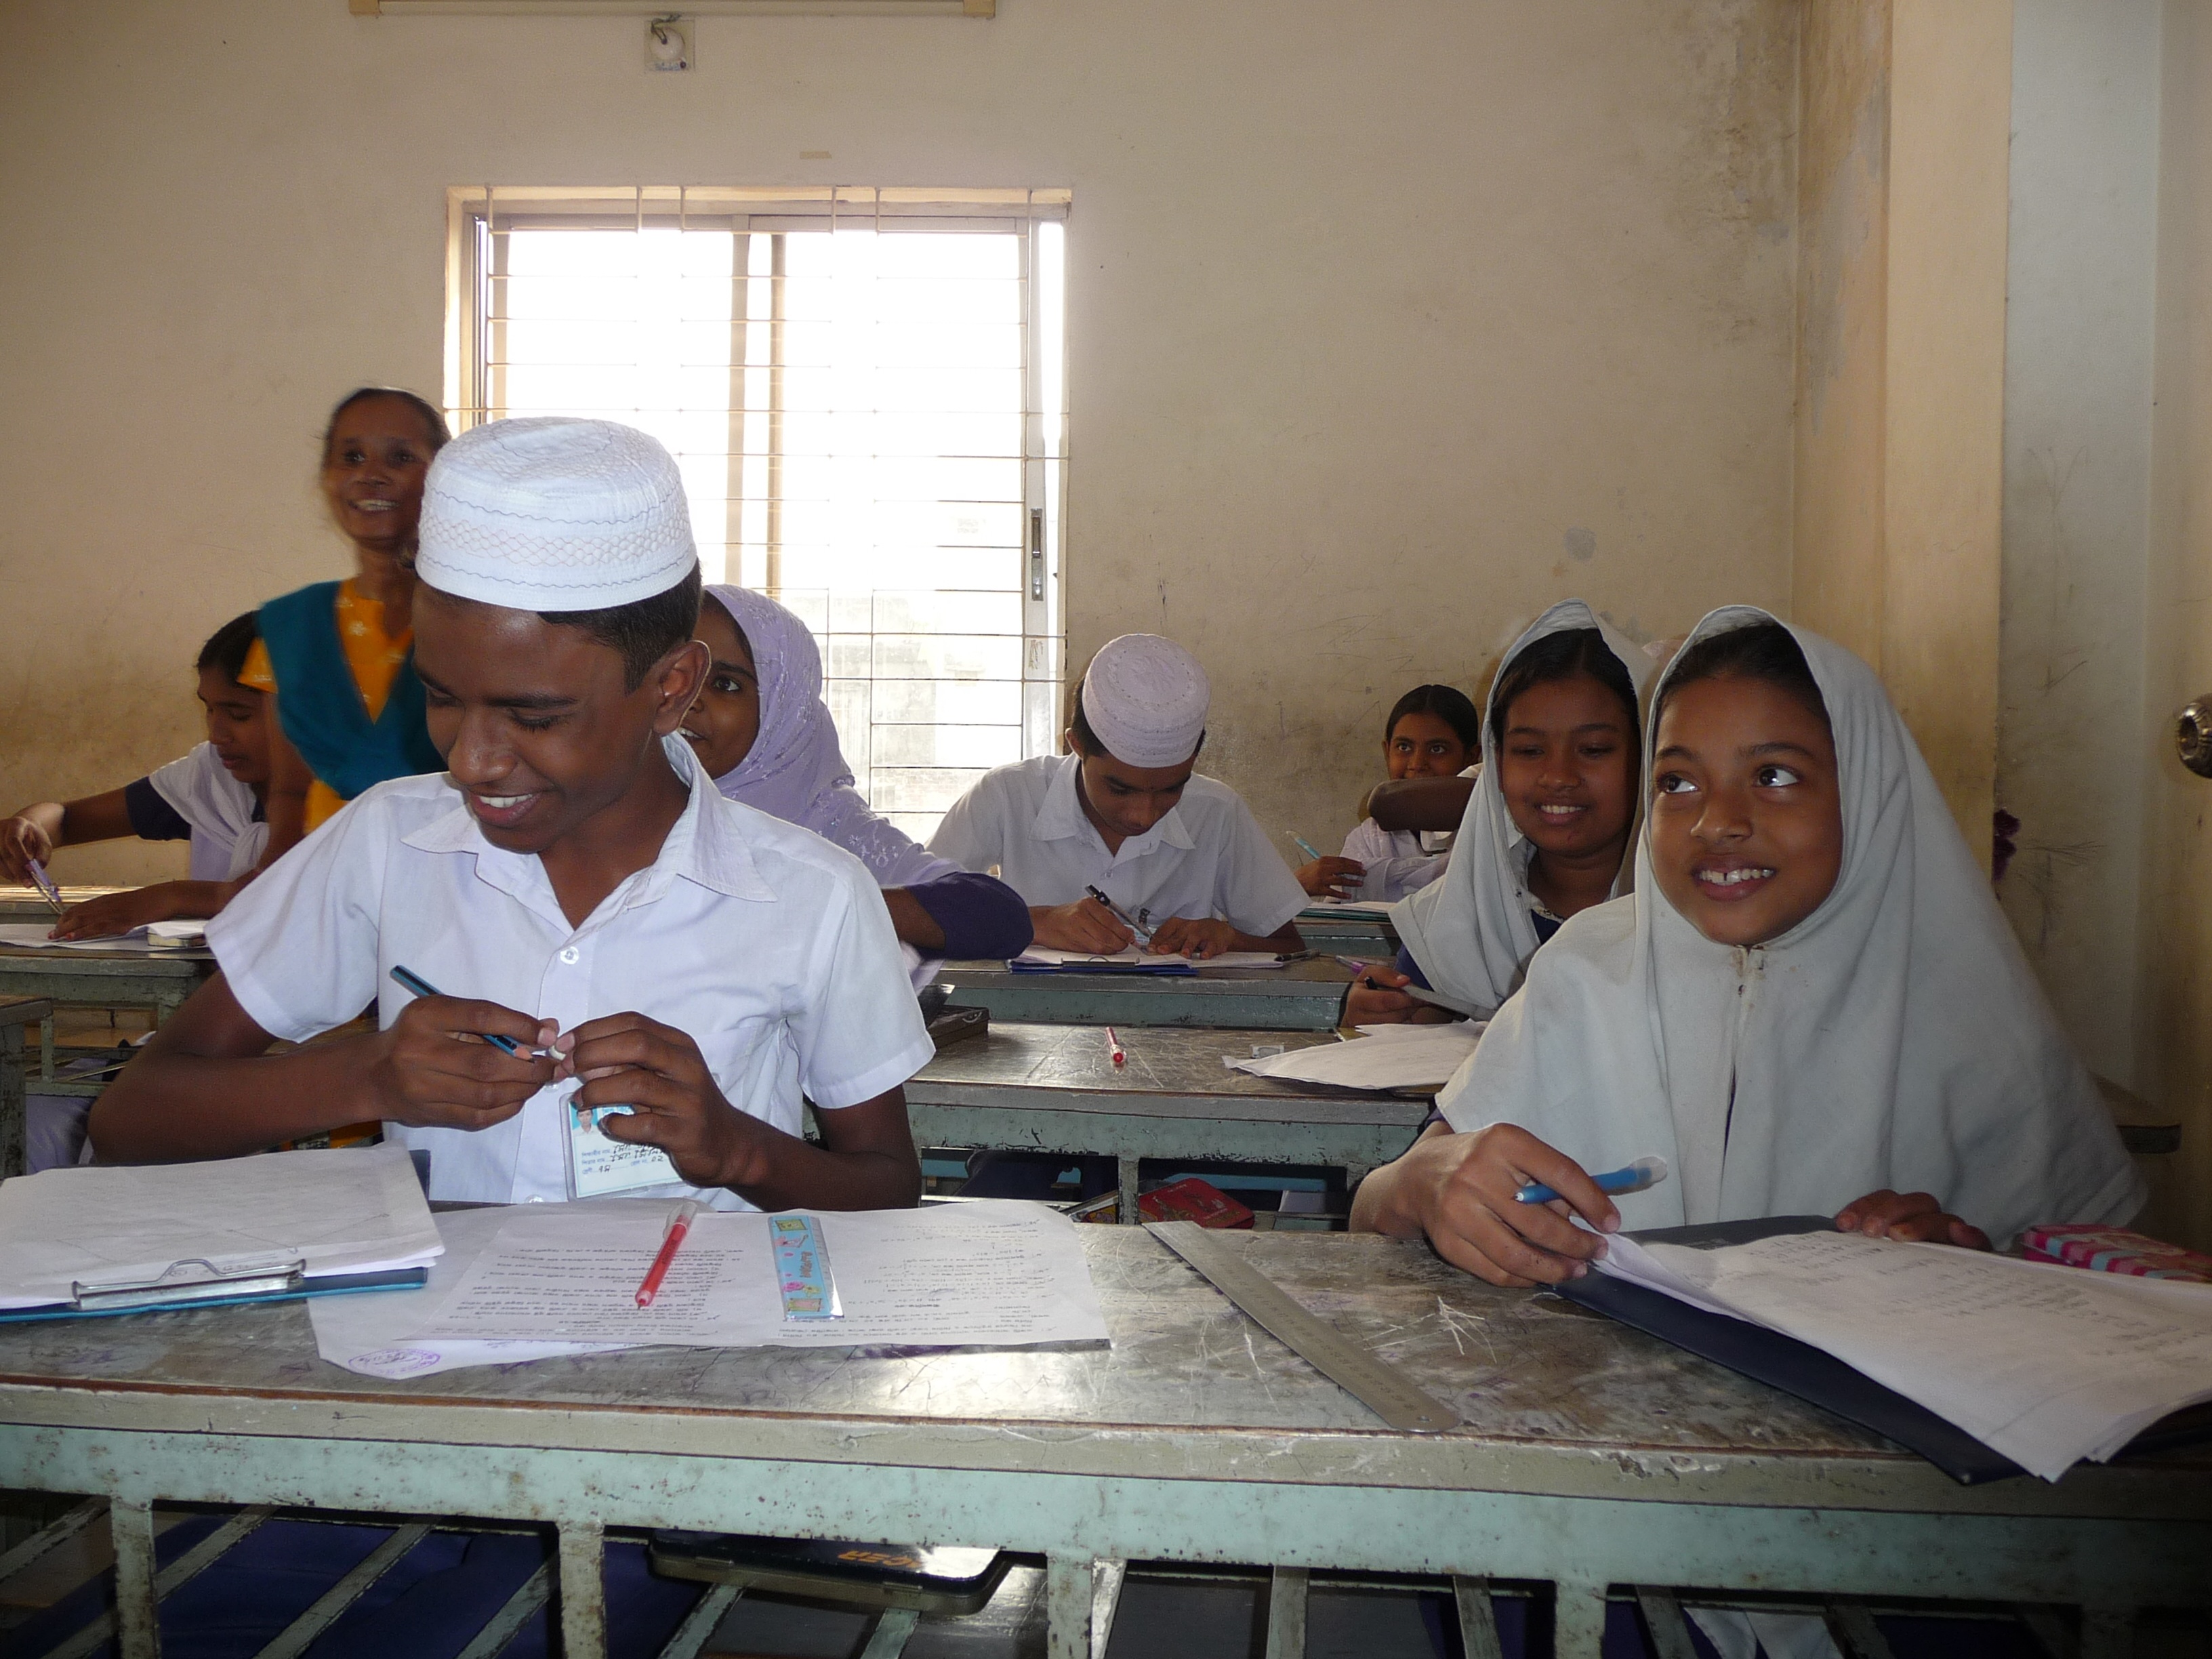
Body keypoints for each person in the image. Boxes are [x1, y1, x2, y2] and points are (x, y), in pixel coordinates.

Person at [91, 417, 933, 1213]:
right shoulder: (389, 844)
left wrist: (740, 1150)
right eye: (441, 697)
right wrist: (368, 1078)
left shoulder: (812, 895)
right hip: (433, 1359)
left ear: (671, 688)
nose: (471, 762)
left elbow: (888, 1188)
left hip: (697, 1358)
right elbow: (130, 1121)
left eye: (534, 717)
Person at [1351, 606, 2142, 1277]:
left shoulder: (1975, 1028)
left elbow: (2101, 1301)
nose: (1715, 822)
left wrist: (1974, 1266)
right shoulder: (1587, 975)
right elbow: (1371, 1209)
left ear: (1866, 793)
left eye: (1773, 776)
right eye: (1677, 782)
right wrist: (1424, 1180)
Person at [680, 584, 1032, 966]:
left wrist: (818, 903)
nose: (688, 698)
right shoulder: (622, 807)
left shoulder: (825, 824)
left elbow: (999, 916)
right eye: (672, 673)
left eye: (725, 684)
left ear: (781, 713)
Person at [1353, 603, 1653, 1023]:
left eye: (1594, 750)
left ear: (1650, 757)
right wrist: (1384, 1019)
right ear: (1496, 763)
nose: (1558, 777)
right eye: (1529, 751)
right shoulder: (1456, 923)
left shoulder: (1696, 919)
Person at [928, 633, 1307, 959]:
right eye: (1119, 789)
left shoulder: (1218, 811)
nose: (1143, 816)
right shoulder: (1007, 795)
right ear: (1076, 746)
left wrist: (1228, 937)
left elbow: (1289, 944)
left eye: (1172, 788)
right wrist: (1034, 922)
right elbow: (915, 911)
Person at [241, 387, 450, 862]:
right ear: (327, 478)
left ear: (443, 476)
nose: (370, 475)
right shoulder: (291, 627)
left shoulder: (482, 619)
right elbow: (290, 792)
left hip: (456, 873)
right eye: (351, 457)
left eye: (400, 457)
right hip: (330, 877)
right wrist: (273, 886)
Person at [1, 613, 271, 940]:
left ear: (306, 712)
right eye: (209, 709)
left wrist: (172, 897)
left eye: (239, 714)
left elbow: (293, 897)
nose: (216, 734)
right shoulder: (212, 780)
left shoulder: (343, 797)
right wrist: (29, 826)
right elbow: (67, 818)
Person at [1298, 684, 1481, 903]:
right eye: (1404, 747)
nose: (1417, 764)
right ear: (1387, 752)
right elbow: (1343, 920)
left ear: (1472, 757)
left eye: (1437, 749)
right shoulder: (1368, 839)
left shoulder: (1487, 830)